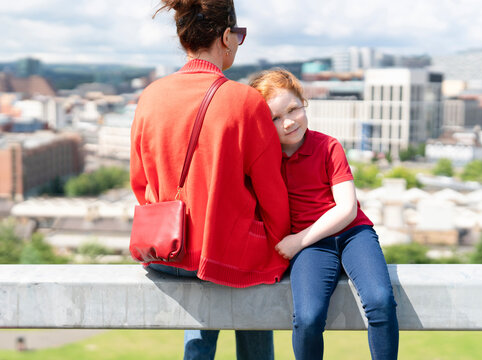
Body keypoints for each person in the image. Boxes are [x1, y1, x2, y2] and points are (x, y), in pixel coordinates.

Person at [130, 1, 290, 359]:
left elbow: (140, 185)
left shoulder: (150, 96)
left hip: (167, 255)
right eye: (239, 35)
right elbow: (272, 194)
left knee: (200, 333)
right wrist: (283, 246)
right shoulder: (245, 101)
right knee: (249, 275)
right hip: (229, 258)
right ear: (225, 37)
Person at [250, 69, 399, 360]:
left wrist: (297, 241)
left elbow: (347, 209)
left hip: (351, 234)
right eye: (275, 118)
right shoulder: (263, 159)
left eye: (293, 109)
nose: (288, 122)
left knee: (380, 301)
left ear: (304, 103)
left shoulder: (328, 146)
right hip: (314, 248)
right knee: (307, 318)